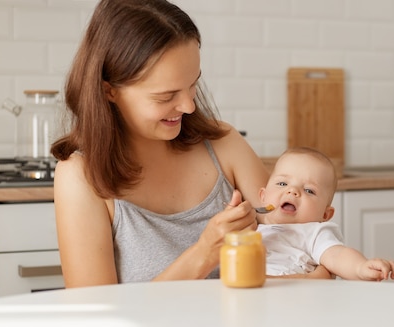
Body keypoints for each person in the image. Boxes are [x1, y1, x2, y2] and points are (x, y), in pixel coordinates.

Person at [52, 0, 330, 287]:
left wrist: (324, 271)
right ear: (109, 91)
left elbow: (302, 238)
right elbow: (96, 313)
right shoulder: (80, 176)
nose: (188, 106)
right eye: (166, 96)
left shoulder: (223, 144)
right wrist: (204, 253)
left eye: (192, 85)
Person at [257, 147, 394, 281]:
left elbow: (337, 256)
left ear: (325, 215)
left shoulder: (313, 233)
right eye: (282, 184)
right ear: (263, 197)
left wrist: (360, 267)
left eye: (309, 190)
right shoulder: (250, 226)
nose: (292, 190)